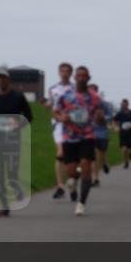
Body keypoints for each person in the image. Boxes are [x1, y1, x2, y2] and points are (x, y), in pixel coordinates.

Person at [53, 66, 106, 216]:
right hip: (69, 137)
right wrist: (61, 117)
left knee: (86, 166)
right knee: (71, 170)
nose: (82, 78)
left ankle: (81, 203)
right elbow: (55, 111)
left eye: (85, 76)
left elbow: (100, 117)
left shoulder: (95, 98)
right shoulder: (66, 95)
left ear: (89, 78)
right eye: (79, 76)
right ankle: (73, 180)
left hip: (87, 136)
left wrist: (100, 118)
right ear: (75, 78)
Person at [0, 66, 33, 217]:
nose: (1, 80)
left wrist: (19, 124)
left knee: (11, 174)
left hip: (13, 141)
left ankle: (16, 188)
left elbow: (29, 116)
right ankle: (4, 206)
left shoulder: (18, 97)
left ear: (8, 79)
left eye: (4, 77)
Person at [45, 62, 74, 199]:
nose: (65, 73)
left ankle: (73, 185)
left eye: (67, 71)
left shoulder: (74, 89)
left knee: (73, 158)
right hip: (58, 124)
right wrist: (48, 105)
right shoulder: (53, 89)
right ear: (58, 72)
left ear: (71, 73)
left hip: (72, 124)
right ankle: (60, 185)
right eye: (62, 71)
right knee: (60, 153)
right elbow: (51, 104)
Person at [87, 83, 113, 185]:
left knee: (102, 154)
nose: (91, 93)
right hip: (91, 133)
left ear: (97, 92)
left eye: (93, 91)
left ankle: (105, 163)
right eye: (89, 91)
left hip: (103, 133)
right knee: (94, 156)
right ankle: (95, 179)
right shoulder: (86, 104)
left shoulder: (103, 104)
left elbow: (110, 115)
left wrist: (103, 119)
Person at [112, 99, 131, 169]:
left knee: (130, 150)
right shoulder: (119, 113)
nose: (124, 106)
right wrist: (115, 127)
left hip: (130, 134)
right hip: (122, 133)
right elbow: (114, 121)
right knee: (124, 149)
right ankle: (126, 162)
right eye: (122, 104)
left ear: (128, 104)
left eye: (125, 104)